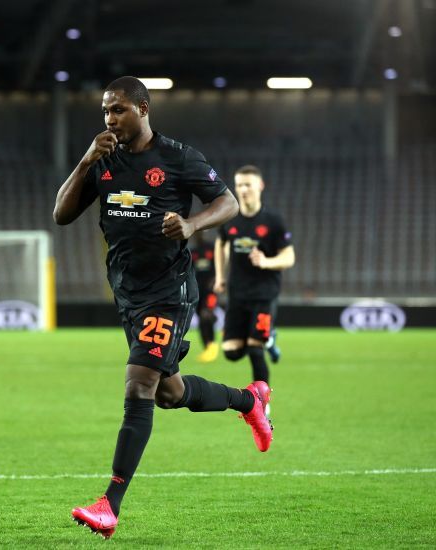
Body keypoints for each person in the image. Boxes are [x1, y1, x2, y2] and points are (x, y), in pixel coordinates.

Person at [53, 76, 273, 539]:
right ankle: (249, 400)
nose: (110, 120)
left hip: (169, 291)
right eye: (106, 112)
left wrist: (192, 224)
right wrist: (85, 159)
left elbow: (227, 202)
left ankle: (109, 505)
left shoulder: (177, 157)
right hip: (128, 294)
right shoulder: (103, 159)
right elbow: (62, 213)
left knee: (139, 387)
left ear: (143, 109)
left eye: (118, 111)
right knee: (169, 393)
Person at [214, 165, 295, 384]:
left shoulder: (273, 221)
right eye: (239, 185)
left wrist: (266, 261)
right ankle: (269, 338)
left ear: (260, 186)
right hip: (237, 293)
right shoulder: (230, 217)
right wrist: (220, 276)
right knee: (231, 352)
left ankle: (262, 406)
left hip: (264, 294)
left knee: (254, 349)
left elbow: (289, 257)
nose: (243, 189)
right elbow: (221, 243)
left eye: (247, 184)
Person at [190, 233, 219, 362]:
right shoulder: (193, 251)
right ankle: (207, 347)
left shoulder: (212, 249)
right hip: (198, 291)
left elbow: (220, 266)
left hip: (210, 291)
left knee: (205, 314)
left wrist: (216, 280)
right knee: (202, 318)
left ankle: (212, 344)